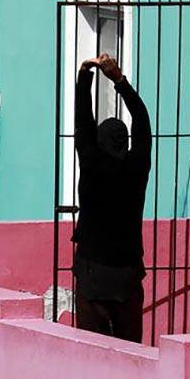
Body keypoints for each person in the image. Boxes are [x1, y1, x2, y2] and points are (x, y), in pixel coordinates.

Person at [73, 53, 151, 343]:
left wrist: (85, 76)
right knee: (129, 349)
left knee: (93, 352)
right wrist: (119, 80)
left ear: (99, 140)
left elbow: (83, 122)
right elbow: (142, 121)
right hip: (128, 273)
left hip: (93, 272)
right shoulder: (137, 168)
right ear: (126, 142)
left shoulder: (92, 163)